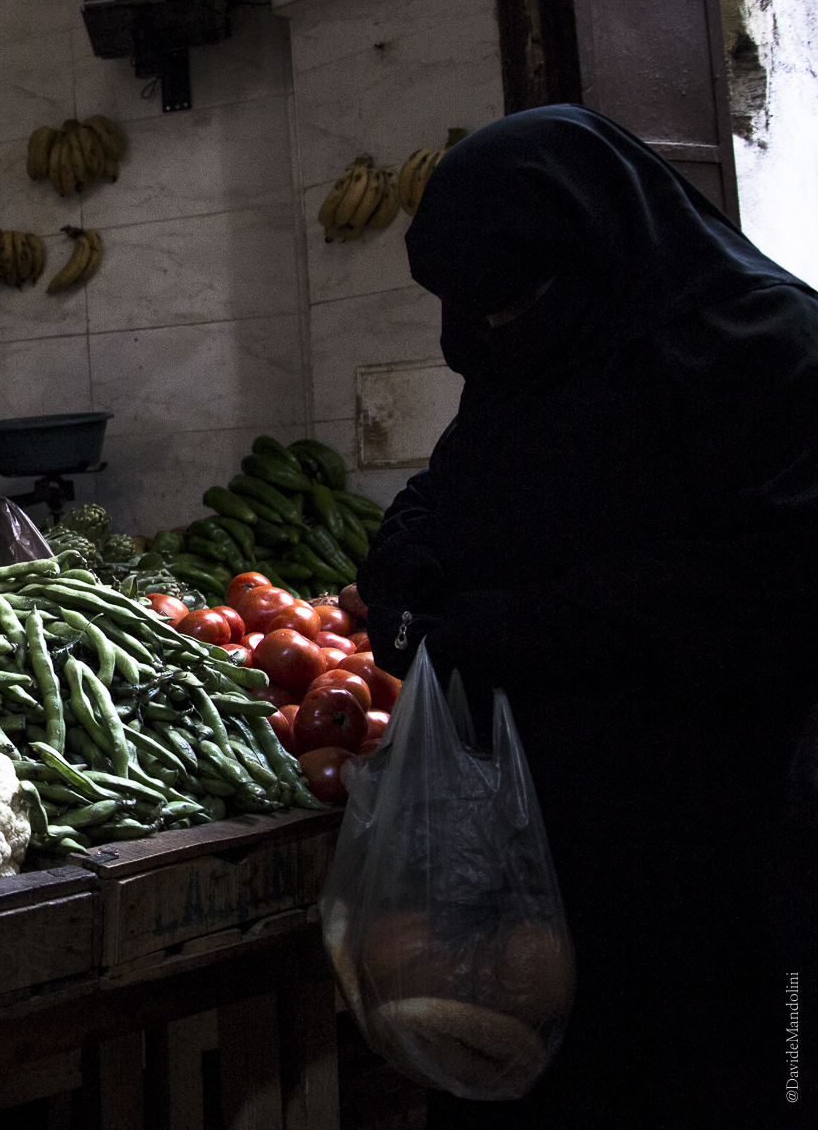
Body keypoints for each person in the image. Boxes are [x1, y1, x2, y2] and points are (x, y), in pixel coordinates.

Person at [350, 105, 817, 1128]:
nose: (486, 334)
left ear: (589, 242)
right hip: (541, 832)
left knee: (709, 1073)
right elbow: (461, 475)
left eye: (510, 305)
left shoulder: (764, 348)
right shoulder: (535, 342)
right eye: (471, 313)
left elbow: (773, 583)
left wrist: (527, 623)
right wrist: (409, 551)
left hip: (711, 826)